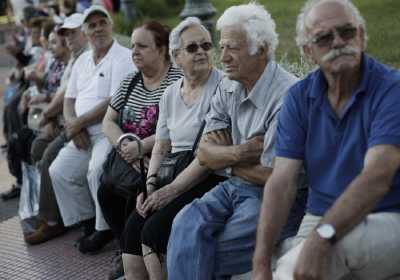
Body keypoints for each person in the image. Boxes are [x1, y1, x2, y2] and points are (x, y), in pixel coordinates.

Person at [252, 1, 400, 280]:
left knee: (301, 266)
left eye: (347, 32)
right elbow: (282, 182)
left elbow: (377, 178)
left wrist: (322, 238)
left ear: (362, 36)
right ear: (308, 52)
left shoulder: (391, 89)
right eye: (324, 38)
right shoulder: (299, 97)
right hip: (320, 218)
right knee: (284, 264)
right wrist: (260, 264)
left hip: (388, 214)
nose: (339, 42)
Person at [167, 4, 306, 279]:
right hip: (235, 186)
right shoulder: (229, 85)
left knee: (205, 250)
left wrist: (224, 159)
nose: (223, 57)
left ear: (262, 49)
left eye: (233, 48)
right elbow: (204, 153)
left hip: (277, 196)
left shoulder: (288, 97)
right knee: (184, 223)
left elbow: (276, 176)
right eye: (222, 47)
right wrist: (243, 151)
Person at [120, 17, 225, 280]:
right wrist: (151, 185)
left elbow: (208, 157)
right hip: (172, 173)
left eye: (206, 45)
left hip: (207, 175)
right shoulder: (169, 94)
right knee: (132, 230)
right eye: (192, 48)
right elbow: (161, 146)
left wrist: (170, 191)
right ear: (176, 55)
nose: (201, 51)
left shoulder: (223, 88)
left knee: (152, 232)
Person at [99, 20, 182, 279]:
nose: (134, 51)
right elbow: (108, 121)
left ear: (162, 49)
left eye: (142, 46)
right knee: (105, 191)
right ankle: (125, 249)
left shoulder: (176, 80)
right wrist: (124, 144)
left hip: (161, 158)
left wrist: (142, 146)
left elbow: (180, 124)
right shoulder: (130, 81)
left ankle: (132, 255)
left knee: (138, 193)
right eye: (133, 45)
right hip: (129, 156)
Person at [49, 5, 134, 253]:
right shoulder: (83, 59)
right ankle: (87, 222)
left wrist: (79, 123)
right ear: (85, 32)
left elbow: (115, 99)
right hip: (81, 131)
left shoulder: (122, 56)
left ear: (111, 26)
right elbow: (69, 100)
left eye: (102, 23)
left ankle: (103, 229)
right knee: (59, 171)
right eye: (92, 25)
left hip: (109, 130)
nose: (98, 29)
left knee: (96, 170)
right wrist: (73, 125)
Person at [24, 13, 89, 245]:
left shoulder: (87, 57)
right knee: (37, 147)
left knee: (48, 154)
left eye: (73, 33)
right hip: (70, 122)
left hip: (86, 127)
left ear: (85, 33)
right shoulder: (75, 59)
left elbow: (66, 98)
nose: (69, 38)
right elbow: (67, 98)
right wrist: (57, 118)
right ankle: (52, 211)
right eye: (67, 34)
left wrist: (52, 117)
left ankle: (52, 221)